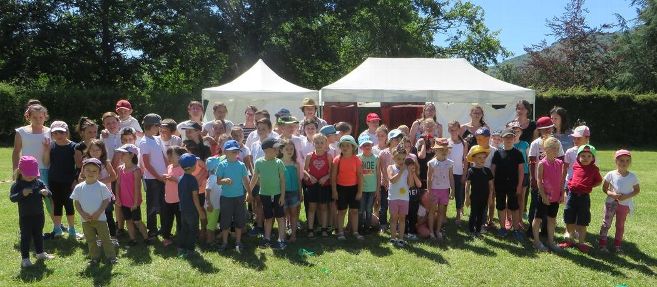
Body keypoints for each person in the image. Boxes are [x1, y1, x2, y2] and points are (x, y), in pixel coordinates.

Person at [13, 104, 54, 231]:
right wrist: (15, 170)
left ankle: (57, 225)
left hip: (46, 169)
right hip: (27, 172)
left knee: (48, 198)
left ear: (45, 117)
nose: (38, 119)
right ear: (28, 117)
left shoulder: (49, 132)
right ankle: (25, 228)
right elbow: (16, 151)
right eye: (34, 117)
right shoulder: (21, 132)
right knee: (27, 200)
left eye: (41, 117)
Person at [11, 156, 55, 268]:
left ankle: (40, 253)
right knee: (26, 237)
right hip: (25, 217)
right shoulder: (17, 185)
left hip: (39, 215)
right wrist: (22, 194)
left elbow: (49, 193)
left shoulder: (39, 183)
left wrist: (46, 192)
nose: (31, 176)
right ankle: (25, 259)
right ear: (20, 171)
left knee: (38, 235)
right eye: (27, 174)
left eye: (33, 174)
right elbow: (12, 198)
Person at [71, 158, 117, 264]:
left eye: (94, 171)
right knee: (91, 240)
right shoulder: (79, 187)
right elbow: (76, 203)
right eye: (88, 170)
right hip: (85, 220)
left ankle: (111, 257)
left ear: (99, 173)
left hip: (100, 219)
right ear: (83, 171)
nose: (91, 173)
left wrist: (98, 212)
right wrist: (83, 213)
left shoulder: (101, 186)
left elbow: (106, 200)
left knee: (106, 239)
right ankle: (94, 257)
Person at [559, 144, 602, 253]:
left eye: (589, 156)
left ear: (593, 158)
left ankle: (581, 243)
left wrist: (589, 186)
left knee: (583, 220)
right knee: (569, 217)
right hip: (572, 195)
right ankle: (569, 240)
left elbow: (599, 181)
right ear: (578, 157)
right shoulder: (576, 165)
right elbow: (575, 176)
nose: (585, 158)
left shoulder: (594, 169)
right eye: (583, 155)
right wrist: (571, 183)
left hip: (584, 197)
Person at [526, 117, 564, 238]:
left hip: (552, 182)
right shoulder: (535, 143)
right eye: (544, 130)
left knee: (550, 206)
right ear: (539, 131)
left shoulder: (556, 143)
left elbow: (561, 160)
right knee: (536, 206)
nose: (547, 131)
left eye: (549, 128)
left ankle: (546, 231)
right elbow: (532, 162)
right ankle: (532, 231)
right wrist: (533, 180)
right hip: (539, 180)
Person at [598, 150, 640, 253]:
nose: (624, 163)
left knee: (620, 225)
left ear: (630, 162)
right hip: (610, 203)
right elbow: (604, 188)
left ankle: (617, 246)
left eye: (627, 161)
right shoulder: (611, 174)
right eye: (621, 160)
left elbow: (637, 190)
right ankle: (602, 245)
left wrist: (626, 196)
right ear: (616, 161)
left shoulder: (632, 177)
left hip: (624, 205)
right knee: (606, 224)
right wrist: (612, 194)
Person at [251, 138, 288, 249]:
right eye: (276, 149)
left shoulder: (279, 162)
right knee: (268, 217)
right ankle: (267, 238)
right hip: (264, 194)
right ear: (267, 150)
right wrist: (249, 192)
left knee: (280, 217)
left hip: (277, 195)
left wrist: (282, 195)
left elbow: (282, 180)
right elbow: (254, 178)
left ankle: (281, 239)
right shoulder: (259, 162)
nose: (278, 151)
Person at [43, 121, 78, 238]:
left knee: (69, 204)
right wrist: (47, 149)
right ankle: (57, 229)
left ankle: (72, 229)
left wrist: (75, 180)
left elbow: (79, 165)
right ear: (52, 134)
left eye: (61, 132)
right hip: (54, 180)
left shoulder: (74, 146)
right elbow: (46, 162)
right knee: (57, 205)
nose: (58, 135)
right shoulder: (51, 146)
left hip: (68, 181)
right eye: (55, 133)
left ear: (67, 132)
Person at [216, 140, 251, 252]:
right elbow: (218, 181)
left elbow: (246, 180)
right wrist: (224, 180)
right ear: (225, 152)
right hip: (226, 197)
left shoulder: (241, 165)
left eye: (236, 152)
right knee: (225, 221)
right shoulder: (222, 165)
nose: (235, 154)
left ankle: (238, 241)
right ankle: (225, 242)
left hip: (239, 197)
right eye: (232, 152)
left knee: (239, 220)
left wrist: (249, 193)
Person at [532, 137, 565, 252]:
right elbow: (539, 181)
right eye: (553, 148)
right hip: (544, 197)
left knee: (552, 219)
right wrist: (544, 196)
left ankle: (551, 242)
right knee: (538, 219)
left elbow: (561, 180)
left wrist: (562, 194)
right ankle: (536, 241)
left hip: (555, 197)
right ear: (545, 149)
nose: (556, 151)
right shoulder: (542, 163)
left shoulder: (559, 163)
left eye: (557, 148)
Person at [491, 128, 525, 240]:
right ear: (502, 139)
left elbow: (521, 171)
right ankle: (502, 228)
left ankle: (515, 229)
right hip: (499, 185)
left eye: (511, 137)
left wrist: (519, 185)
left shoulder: (518, 153)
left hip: (513, 185)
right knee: (501, 206)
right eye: (506, 137)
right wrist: (493, 186)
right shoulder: (497, 153)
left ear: (514, 138)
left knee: (514, 207)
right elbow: (493, 170)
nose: (509, 139)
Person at [83, 140, 118, 244]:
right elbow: (81, 176)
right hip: (91, 195)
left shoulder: (105, 163)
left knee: (107, 215)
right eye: (92, 150)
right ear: (88, 151)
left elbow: (113, 176)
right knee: (94, 215)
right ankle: (98, 237)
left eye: (97, 150)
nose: (95, 152)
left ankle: (112, 236)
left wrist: (99, 182)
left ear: (102, 151)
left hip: (105, 194)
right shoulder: (86, 162)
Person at [139, 113, 168, 239]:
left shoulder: (157, 139)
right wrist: (158, 177)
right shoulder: (144, 142)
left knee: (163, 204)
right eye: (158, 126)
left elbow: (163, 157)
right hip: (152, 179)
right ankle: (152, 230)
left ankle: (163, 228)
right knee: (152, 205)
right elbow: (147, 164)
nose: (159, 129)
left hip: (162, 177)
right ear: (151, 126)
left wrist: (168, 171)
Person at [115, 144, 150, 246]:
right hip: (123, 201)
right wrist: (117, 197)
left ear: (131, 155)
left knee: (137, 221)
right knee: (128, 220)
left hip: (133, 203)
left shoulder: (136, 170)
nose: (121, 155)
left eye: (123, 153)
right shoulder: (120, 169)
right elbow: (118, 184)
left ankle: (146, 238)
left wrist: (135, 203)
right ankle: (132, 239)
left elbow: (137, 188)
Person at [331, 135, 364, 241]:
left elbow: (360, 176)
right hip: (341, 189)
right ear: (340, 147)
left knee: (354, 211)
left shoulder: (357, 159)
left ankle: (355, 232)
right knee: (341, 211)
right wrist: (334, 191)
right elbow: (333, 176)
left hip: (354, 189)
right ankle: (340, 232)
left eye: (348, 145)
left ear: (353, 147)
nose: (345, 147)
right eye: (343, 145)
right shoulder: (337, 160)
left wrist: (359, 191)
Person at [563, 125, 590, 240]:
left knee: (582, 210)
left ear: (587, 138)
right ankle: (569, 231)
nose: (575, 140)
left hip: (583, 188)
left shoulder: (590, 152)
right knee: (569, 209)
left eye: (578, 138)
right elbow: (565, 169)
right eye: (574, 138)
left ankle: (579, 232)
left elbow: (593, 170)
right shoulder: (570, 151)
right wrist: (562, 184)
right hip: (570, 185)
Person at [303, 133, 333, 238]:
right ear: (313, 143)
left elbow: (332, 171)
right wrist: (310, 176)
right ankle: (310, 229)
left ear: (326, 144)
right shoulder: (309, 156)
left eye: (322, 142)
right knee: (312, 208)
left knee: (324, 207)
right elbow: (304, 170)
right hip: (312, 185)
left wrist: (326, 177)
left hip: (324, 185)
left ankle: (324, 229)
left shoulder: (328, 156)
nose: (319, 144)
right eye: (317, 142)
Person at [177, 153, 205, 257]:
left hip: (183, 209)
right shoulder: (193, 180)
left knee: (184, 229)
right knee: (193, 230)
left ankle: (180, 248)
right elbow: (195, 197)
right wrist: (200, 211)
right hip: (192, 210)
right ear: (193, 167)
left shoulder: (180, 178)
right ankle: (190, 250)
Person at [426, 138, 454, 241]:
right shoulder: (431, 163)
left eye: (446, 150)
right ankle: (431, 232)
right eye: (441, 149)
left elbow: (451, 177)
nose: (444, 152)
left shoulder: (450, 163)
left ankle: (438, 230)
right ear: (435, 150)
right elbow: (429, 177)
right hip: (434, 190)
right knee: (432, 211)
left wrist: (453, 190)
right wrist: (429, 191)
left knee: (442, 212)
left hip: (444, 190)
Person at [378, 129, 404, 232]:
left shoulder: (401, 153)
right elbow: (380, 168)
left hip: (398, 183)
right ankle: (383, 224)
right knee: (384, 206)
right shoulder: (383, 153)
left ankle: (396, 223)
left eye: (400, 138)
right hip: (385, 184)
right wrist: (383, 181)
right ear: (390, 140)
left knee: (397, 205)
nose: (398, 141)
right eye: (396, 139)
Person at [465, 145, 494, 236]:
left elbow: (491, 186)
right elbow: (467, 185)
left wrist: (490, 198)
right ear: (473, 159)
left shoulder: (487, 171)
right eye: (479, 158)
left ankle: (478, 230)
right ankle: (471, 230)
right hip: (474, 197)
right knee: (473, 213)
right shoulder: (471, 171)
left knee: (481, 214)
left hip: (484, 197)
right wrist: (467, 198)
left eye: (483, 157)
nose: (482, 159)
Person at [387, 144, 412, 247]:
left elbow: (410, 184)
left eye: (403, 159)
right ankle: (393, 237)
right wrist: (401, 171)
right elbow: (392, 180)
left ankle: (401, 238)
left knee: (402, 218)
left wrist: (410, 173)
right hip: (393, 197)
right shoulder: (390, 167)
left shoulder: (406, 170)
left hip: (404, 198)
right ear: (393, 158)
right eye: (398, 158)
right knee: (393, 218)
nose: (401, 161)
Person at [279, 139, 303, 243]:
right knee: (283, 214)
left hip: (293, 192)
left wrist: (300, 192)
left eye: (291, 149)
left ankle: (293, 235)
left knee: (293, 214)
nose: (289, 151)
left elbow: (298, 179)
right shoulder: (278, 163)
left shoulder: (296, 164)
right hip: (282, 193)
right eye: (287, 149)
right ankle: (283, 235)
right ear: (281, 150)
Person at [161, 146, 186, 247]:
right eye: (169, 155)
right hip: (168, 199)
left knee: (180, 220)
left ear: (181, 157)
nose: (169, 157)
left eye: (172, 154)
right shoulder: (169, 167)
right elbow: (169, 181)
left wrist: (173, 178)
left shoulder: (183, 168)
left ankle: (181, 238)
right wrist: (166, 178)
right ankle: (167, 237)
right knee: (167, 219)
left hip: (179, 200)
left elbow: (184, 182)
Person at [357, 134, 380, 234]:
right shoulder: (358, 158)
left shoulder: (376, 158)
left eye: (369, 145)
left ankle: (367, 227)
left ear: (372, 145)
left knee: (369, 209)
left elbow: (378, 174)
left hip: (372, 188)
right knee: (361, 209)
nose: (367, 147)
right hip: (362, 188)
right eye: (364, 145)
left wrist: (378, 189)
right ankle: (359, 227)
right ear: (361, 147)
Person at [507, 121, 530, 221]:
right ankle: (509, 218)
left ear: (521, 132)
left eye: (518, 131)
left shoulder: (525, 144)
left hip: (524, 173)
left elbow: (528, 160)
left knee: (521, 197)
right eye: (513, 131)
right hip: (510, 174)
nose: (515, 133)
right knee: (510, 196)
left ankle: (520, 219)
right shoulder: (507, 144)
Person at [446, 121, 468, 225]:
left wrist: (464, 174)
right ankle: (443, 214)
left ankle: (458, 215)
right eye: (451, 130)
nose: (453, 132)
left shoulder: (464, 143)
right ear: (448, 130)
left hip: (459, 173)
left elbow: (466, 160)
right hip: (447, 173)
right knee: (445, 194)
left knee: (459, 194)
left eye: (455, 129)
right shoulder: (446, 142)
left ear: (459, 130)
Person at [204, 155, 222, 246]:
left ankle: (212, 239)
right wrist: (208, 203)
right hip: (212, 206)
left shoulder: (216, 177)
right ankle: (209, 241)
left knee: (213, 224)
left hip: (215, 205)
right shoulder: (212, 178)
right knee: (211, 225)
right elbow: (207, 190)